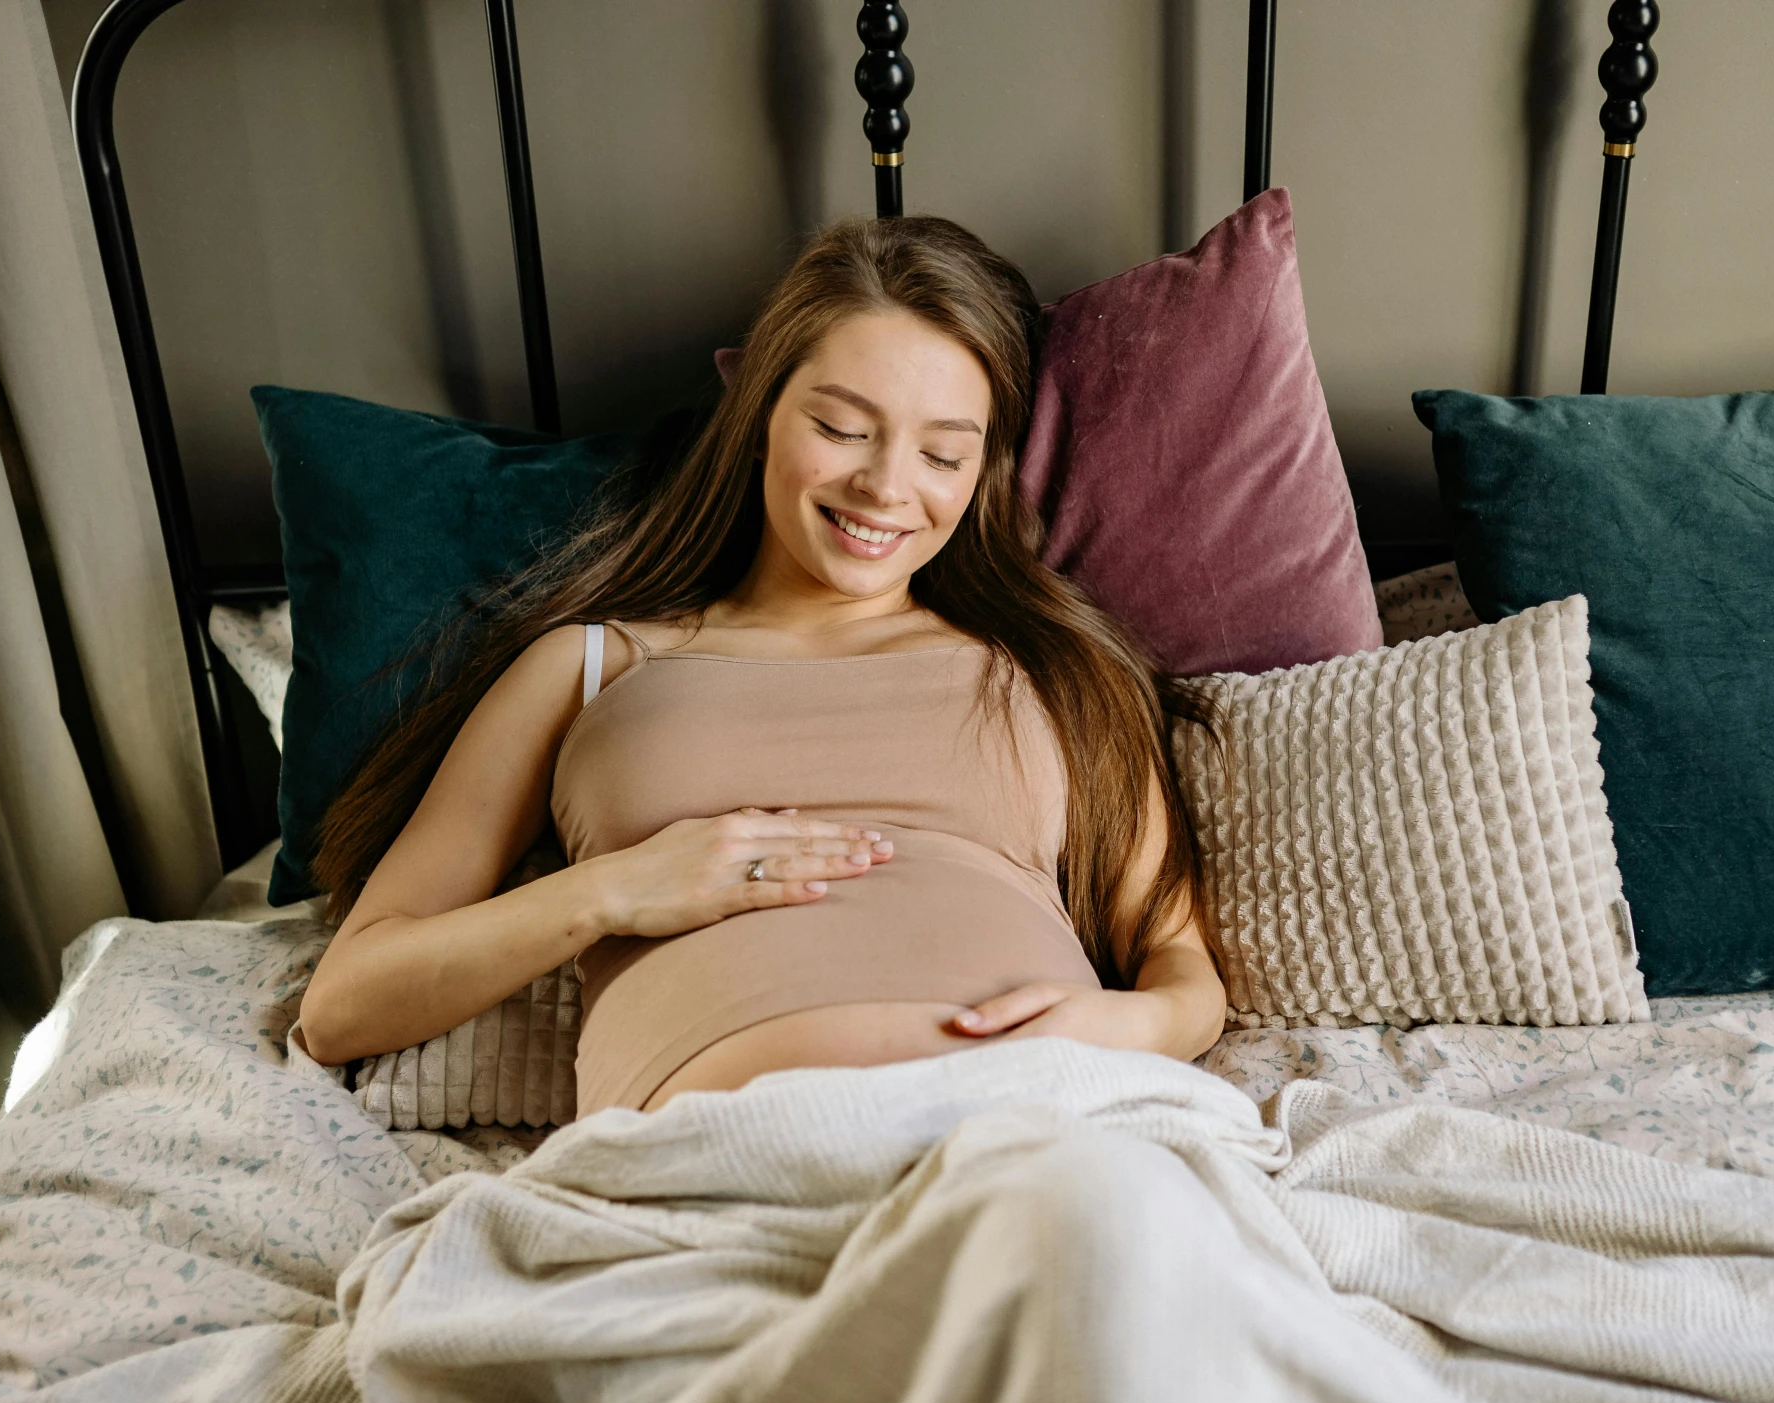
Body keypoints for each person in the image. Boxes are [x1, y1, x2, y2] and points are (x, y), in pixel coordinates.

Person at [297, 216, 1225, 1114]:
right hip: (723, 1159)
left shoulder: (1049, 665)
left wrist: (1128, 1028)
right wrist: (610, 890)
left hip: (1046, 1123)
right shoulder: (592, 666)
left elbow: (1181, 968)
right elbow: (343, 1005)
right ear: (760, 416)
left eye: (943, 453)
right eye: (843, 428)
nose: (887, 485)